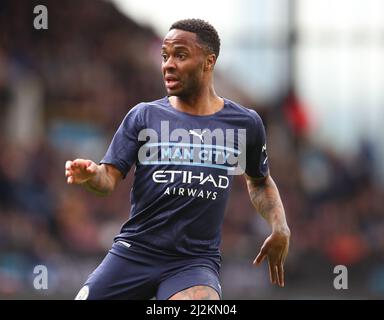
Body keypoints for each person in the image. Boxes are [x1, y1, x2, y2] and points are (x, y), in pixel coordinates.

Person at [65, 18, 290, 300]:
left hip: (193, 263)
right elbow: (107, 179)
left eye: (180, 55)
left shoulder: (244, 123)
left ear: (209, 62)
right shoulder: (143, 116)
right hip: (134, 253)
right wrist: (91, 175)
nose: (168, 64)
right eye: (165, 56)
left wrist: (279, 225)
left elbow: (259, 182)